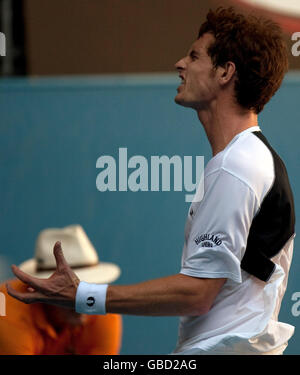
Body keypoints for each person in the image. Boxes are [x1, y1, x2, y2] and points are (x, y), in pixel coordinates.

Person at [7, 7, 295, 355]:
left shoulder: (237, 166)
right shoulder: (244, 161)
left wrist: (84, 295)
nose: (180, 64)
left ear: (225, 72)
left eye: (194, 56)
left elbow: (197, 294)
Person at [1, 225, 122, 355]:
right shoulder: (7, 314)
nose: (82, 301)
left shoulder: (102, 310)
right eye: (69, 291)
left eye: (89, 289)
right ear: (38, 289)